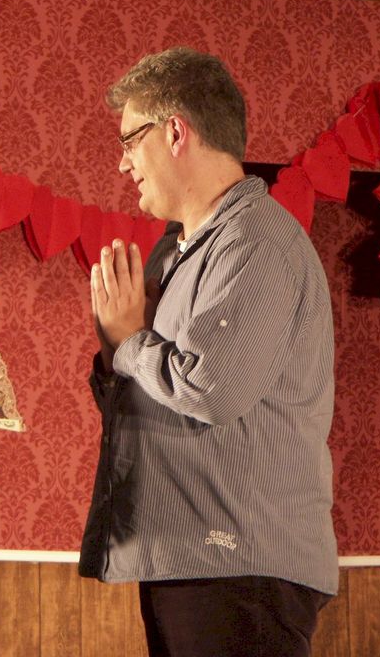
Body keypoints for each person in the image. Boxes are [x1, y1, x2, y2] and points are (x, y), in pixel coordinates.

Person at [80, 47, 338, 657]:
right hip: (190, 556)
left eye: (130, 140)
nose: (122, 162)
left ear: (175, 132)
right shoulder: (174, 251)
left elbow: (210, 389)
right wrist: (116, 349)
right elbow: (152, 394)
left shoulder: (257, 239)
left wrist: (130, 342)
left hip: (241, 566)